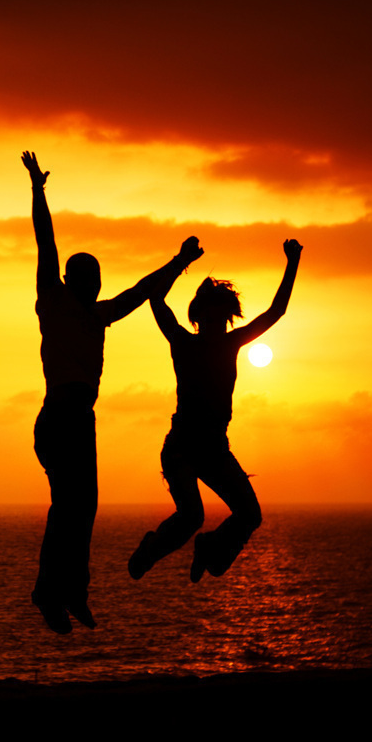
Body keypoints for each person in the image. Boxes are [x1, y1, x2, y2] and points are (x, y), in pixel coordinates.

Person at [22, 150, 202, 633]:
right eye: (89, 276)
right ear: (72, 280)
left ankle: (72, 593)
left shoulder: (99, 314)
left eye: (98, 277)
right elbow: (45, 241)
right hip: (61, 417)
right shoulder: (53, 299)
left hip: (79, 419)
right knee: (68, 507)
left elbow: (143, 290)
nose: (97, 283)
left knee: (83, 509)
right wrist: (39, 190)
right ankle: (49, 593)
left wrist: (180, 261)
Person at [128, 238, 303, 583]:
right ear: (197, 320)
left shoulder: (232, 343)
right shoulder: (182, 342)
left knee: (250, 515)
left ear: (226, 320)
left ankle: (210, 547)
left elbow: (277, 311)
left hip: (214, 449)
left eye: (219, 320)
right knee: (191, 515)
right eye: (206, 319)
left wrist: (293, 261)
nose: (212, 326)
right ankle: (151, 549)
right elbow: (156, 298)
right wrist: (182, 260)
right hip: (180, 447)